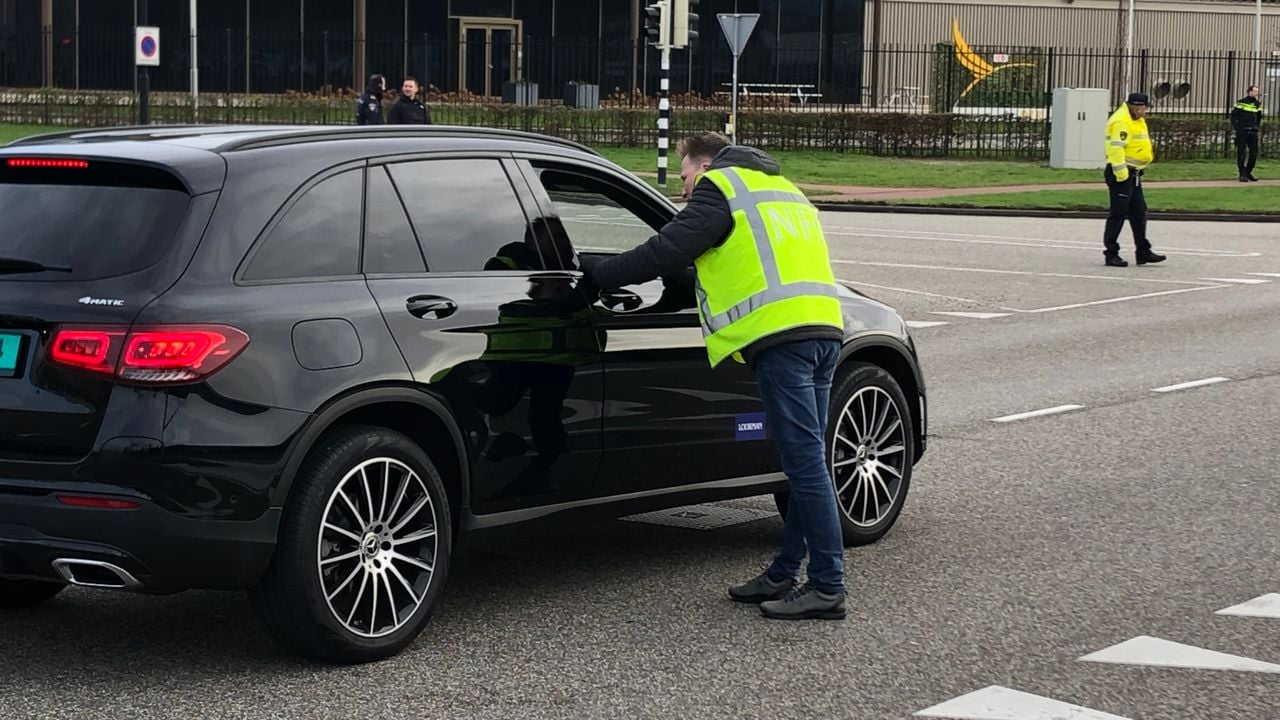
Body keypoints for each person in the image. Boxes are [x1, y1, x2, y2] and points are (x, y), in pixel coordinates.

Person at [580, 132, 848, 621]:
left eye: (683, 176)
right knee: (806, 462)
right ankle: (785, 571)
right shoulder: (783, 189)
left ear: (701, 166)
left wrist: (598, 275)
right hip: (825, 331)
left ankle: (828, 585)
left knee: (805, 465)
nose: (683, 191)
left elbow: (668, 249)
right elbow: (733, 259)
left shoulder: (720, 186)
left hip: (782, 339)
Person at [1102, 92, 1166, 267]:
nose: (1145, 111)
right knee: (1118, 213)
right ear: (1136, 106)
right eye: (1143, 107)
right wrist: (1121, 175)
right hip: (1122, 173)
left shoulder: (1137, 119)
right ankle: (1111, 253)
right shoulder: (1121, 121)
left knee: (1139, 212)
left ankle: (1143, 251)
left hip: (1134, 173)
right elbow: (1116, 149)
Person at [1230, 85, 1263, 182]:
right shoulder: (1242, 102)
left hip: (1253, 132)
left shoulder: (1258, 104)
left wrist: (1256, 127)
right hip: (1243, 131)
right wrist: (1237, 128)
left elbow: (1259, 117)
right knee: (1242, 153)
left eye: (1257, 91)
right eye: (1255, 91)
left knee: (1254, 153)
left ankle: (1248, 172)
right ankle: (1242, 174)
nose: (1256, 93)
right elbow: (1233, 116)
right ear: (1249, 92)